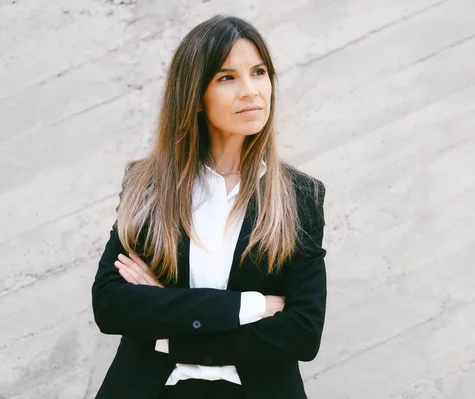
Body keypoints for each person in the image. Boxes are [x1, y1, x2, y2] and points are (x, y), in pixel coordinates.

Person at [91, 14, 327, 399]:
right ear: (195, 96)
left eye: (259, 72)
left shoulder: (299, 196)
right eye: (227, 77)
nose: (252, 91)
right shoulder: (147, 184)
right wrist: (250, 306)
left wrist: (168, 325)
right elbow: (111, 305)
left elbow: (302, 332)